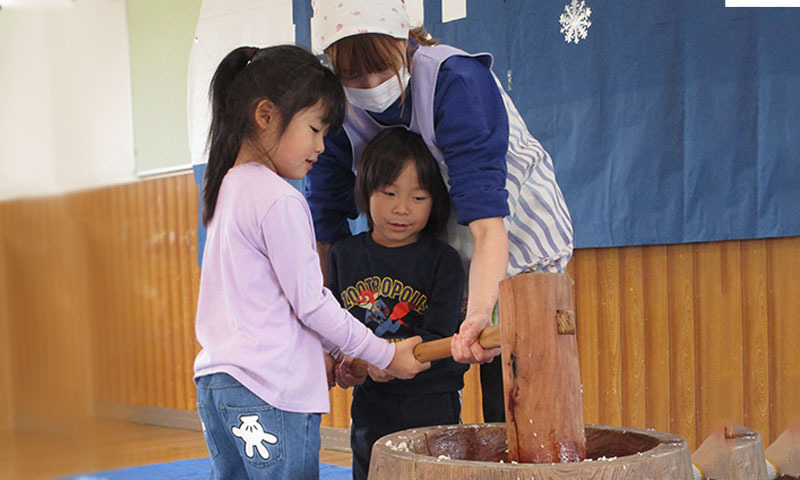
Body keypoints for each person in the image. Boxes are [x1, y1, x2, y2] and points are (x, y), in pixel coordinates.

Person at [306, 0, 573, 422]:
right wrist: (322, 337)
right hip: (438, 255)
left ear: (404, 40)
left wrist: (481, 313)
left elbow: (487, 224)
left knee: (518, 395)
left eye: (380, 66)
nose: (371, 83)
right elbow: (325, 226)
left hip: (513, 236)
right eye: (352, 74)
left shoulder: (456, 82)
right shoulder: (336, 110)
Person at [192, 44, 429, 480]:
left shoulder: (226, 186)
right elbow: (311, 302)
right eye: (316, 129)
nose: (322, 146)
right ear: (265, 115)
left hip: (218, 385)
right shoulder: (278, 197)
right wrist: (385, 354)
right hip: (269, 391)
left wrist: (336, 352)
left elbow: (272, 301)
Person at [326, 128, 469, 480]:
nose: (401, 209)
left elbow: (439, 336)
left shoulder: (443, 260)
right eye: (389, 193)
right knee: (371, 470)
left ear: (435, 201)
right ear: (366, 190)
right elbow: (334, 325)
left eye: (418, 198)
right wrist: (347, 362)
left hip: (432, 400)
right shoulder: (345, 255)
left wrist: (382, 360)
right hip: (372, 402)